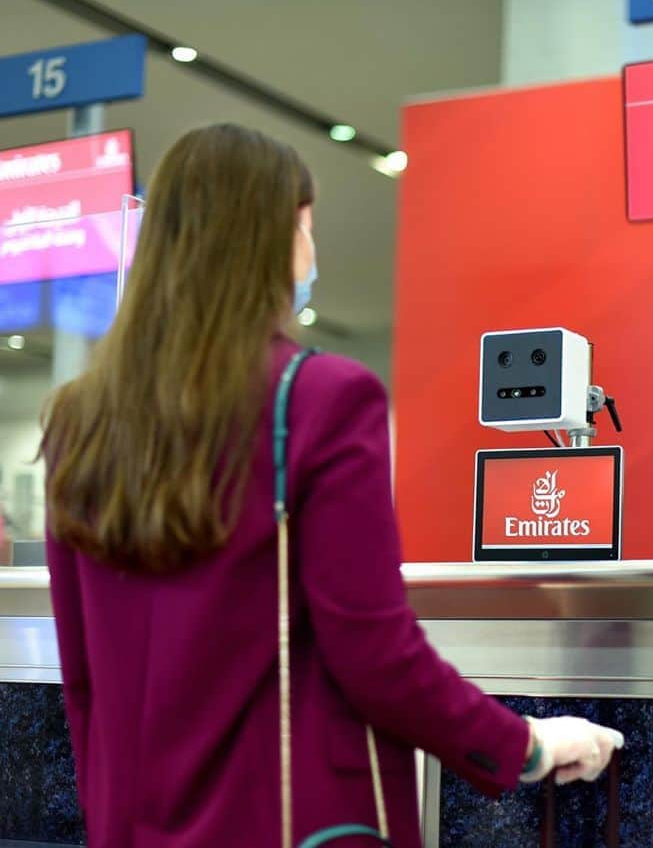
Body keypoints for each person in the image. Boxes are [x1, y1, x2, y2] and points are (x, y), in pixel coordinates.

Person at [41, 124, 622, 848]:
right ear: (270, 238)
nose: (312, 253)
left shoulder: (78, 419)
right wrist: (525, 742)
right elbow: (376, 654)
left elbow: (85, 683)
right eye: (306, 228)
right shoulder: (321, 397)